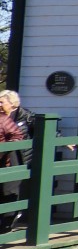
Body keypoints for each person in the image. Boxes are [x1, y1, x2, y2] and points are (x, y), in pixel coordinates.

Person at [0, 92, 26, 234]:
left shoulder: (23, 116)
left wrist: (7, 148)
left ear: (12, 104)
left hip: (16, 158)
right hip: (5, 159)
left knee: (9, 191)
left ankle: (7, 223)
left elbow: (18, 136)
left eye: (2, 102)